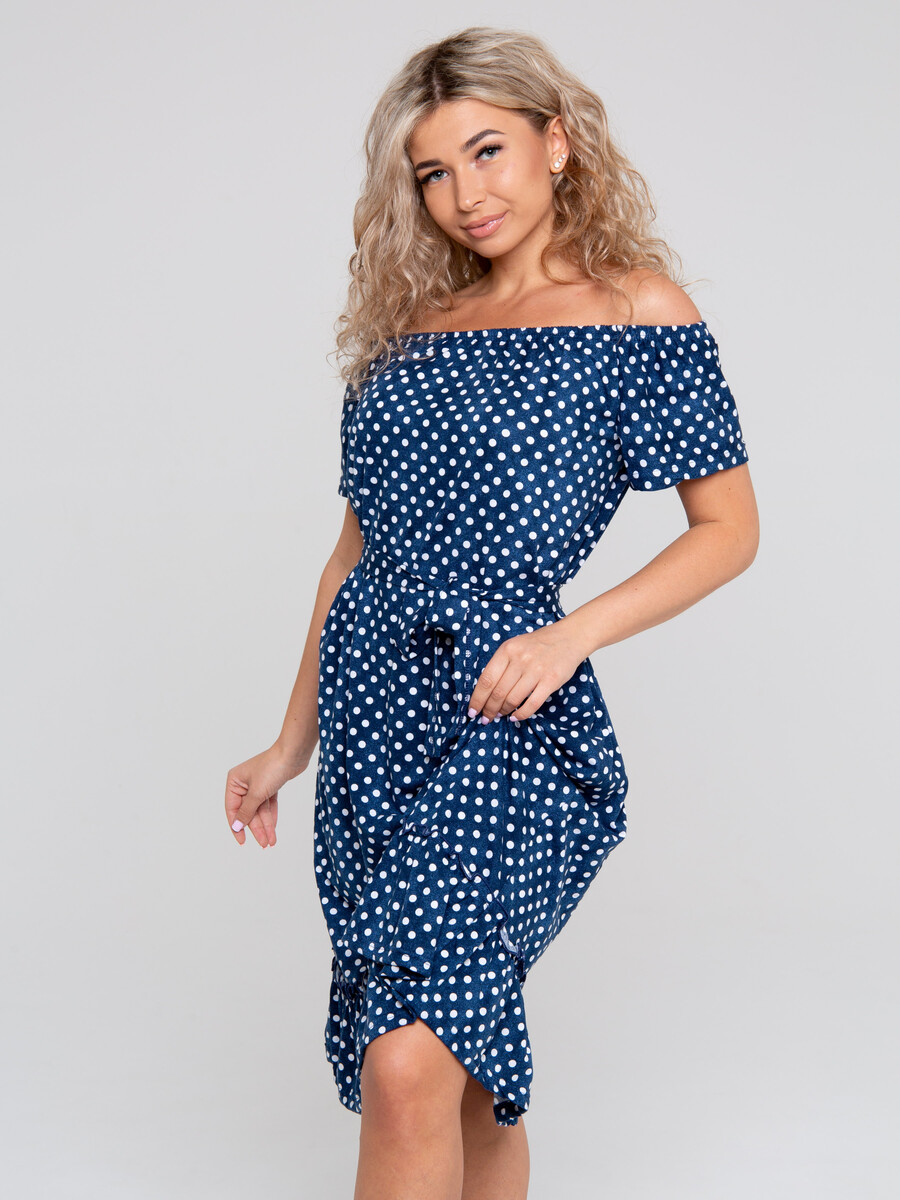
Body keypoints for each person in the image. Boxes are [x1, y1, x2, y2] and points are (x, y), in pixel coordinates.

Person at [224, 25, 759, 1200]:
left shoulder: (637, 315)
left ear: (556, 142)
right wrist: (289, 743)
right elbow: (353, 555)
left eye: (487, 152)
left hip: (505, 711)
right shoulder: (409, 333)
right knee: (456, 1068)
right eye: (433, 172)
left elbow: (729, 531)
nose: (466, 194)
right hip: (376, 719)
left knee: (409, 1060)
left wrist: (571, 636)